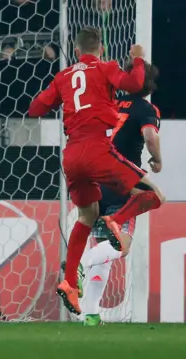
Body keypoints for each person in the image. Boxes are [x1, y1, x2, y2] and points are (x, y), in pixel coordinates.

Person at [28, 27, 165, 315]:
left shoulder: (63, 76)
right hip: (99, 153)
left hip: (71, 156)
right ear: (100, 49)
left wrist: (59, 92)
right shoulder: (106, 68)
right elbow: (134, 80)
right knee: (155, 196)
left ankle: (69, 282)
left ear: (77, 51)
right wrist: (138, 58)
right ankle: (116, 221)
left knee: (86, 216)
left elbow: (36, 109)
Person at [75, 60, 161, 326]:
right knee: (121, 246)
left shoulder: (108, 102)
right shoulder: (147, 108)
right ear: (149, 85)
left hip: (94, 177)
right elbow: (149, 136)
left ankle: (90, 313)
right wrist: (157, 160)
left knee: (105, 249)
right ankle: (78, 265)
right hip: (123, 180)